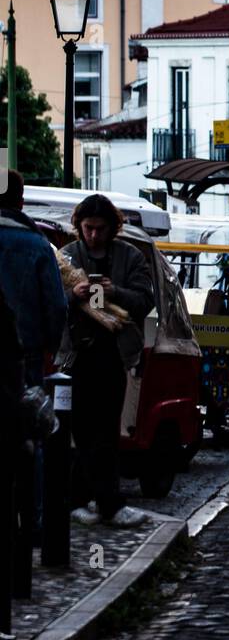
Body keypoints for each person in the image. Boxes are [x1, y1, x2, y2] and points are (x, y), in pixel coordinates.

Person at [58, 194, 154, 528]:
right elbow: (54, 301)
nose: (94, 236)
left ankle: (97, 500)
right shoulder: (69, 256)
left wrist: (115, 293)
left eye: (100, 229)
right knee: (83, 430)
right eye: (88, 229)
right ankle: (94, 501)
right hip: (78, 354)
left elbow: (145, 300)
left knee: (106, 430)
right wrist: (74, 296)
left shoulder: (129, 257)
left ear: (112, 228)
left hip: (113, 353)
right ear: (79, 227)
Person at [0, 170, 66, 384]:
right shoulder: (38, 245)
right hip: (25, 354)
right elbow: (56, 306)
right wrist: (51, 347)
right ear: (21, 203)